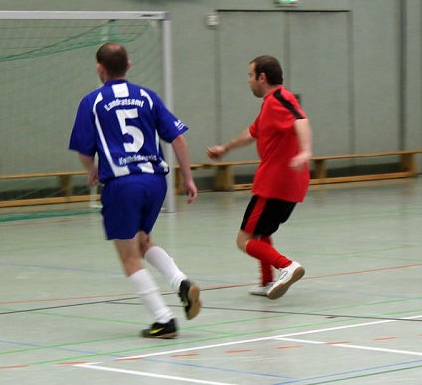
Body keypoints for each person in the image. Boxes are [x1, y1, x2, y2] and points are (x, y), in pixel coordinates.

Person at [69, 42, 201, 339]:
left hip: (122, 184)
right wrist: (188, 178)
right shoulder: (147, 96)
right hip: (155, 182)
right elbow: (178, 139)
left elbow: (84, 151)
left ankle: (163, 319)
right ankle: (181, 282)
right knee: (142, 241)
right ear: (129, 66)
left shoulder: (92, 101)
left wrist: (91, 169)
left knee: (129, 256)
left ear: (99, 68)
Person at [207, 55, 312, 299]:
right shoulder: (269, 105)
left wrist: (306, 151)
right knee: (262, 231)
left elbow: (301, 120)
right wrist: (226, 148)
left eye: (250, 75)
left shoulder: (280, 99)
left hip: (275, 183)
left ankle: (286, 266)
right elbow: (252, 132)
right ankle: (267, 281)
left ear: (261, 77)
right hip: (286, 183)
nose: (248, 81)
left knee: (243, 239)